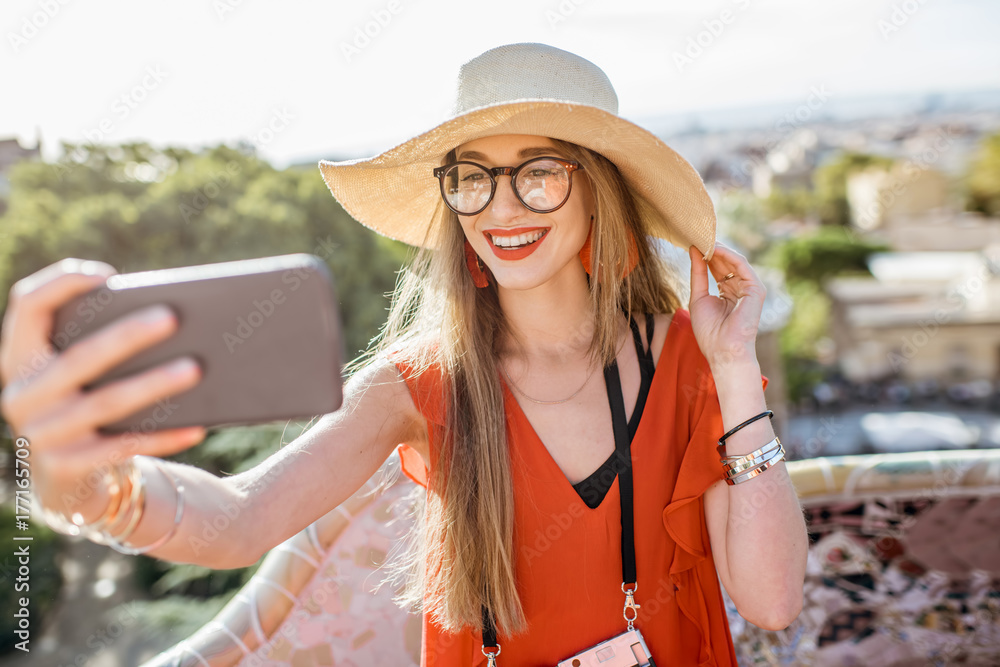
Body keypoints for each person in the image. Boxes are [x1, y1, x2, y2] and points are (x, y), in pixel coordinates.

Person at [0, 43, 807, 665]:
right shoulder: (418, 384)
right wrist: (81, 484)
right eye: (474, 177)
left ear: (597, 189)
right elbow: (239, 520)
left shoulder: (692, 361)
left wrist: (736, 364)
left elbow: (770, 599)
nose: (501, 205)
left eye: (540, 174)